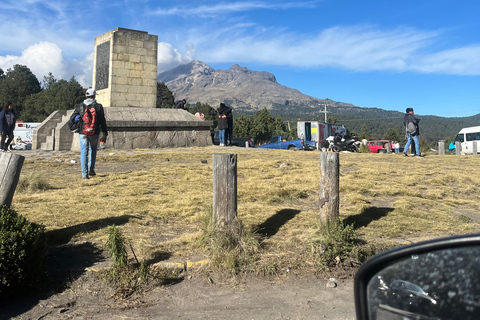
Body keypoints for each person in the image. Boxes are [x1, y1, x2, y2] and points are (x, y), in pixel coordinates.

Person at [70, 88, 108, 179]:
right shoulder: (99, 107)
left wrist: (73, 128)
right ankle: (91, 169)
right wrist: (104, 132)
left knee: (84, 151)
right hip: (94, 132)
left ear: (86, 96)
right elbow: (102, 121)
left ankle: (84, 174)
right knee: (93, 149)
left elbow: (72, 118)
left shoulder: (80, 106)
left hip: (83, 132)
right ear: (94, 96)